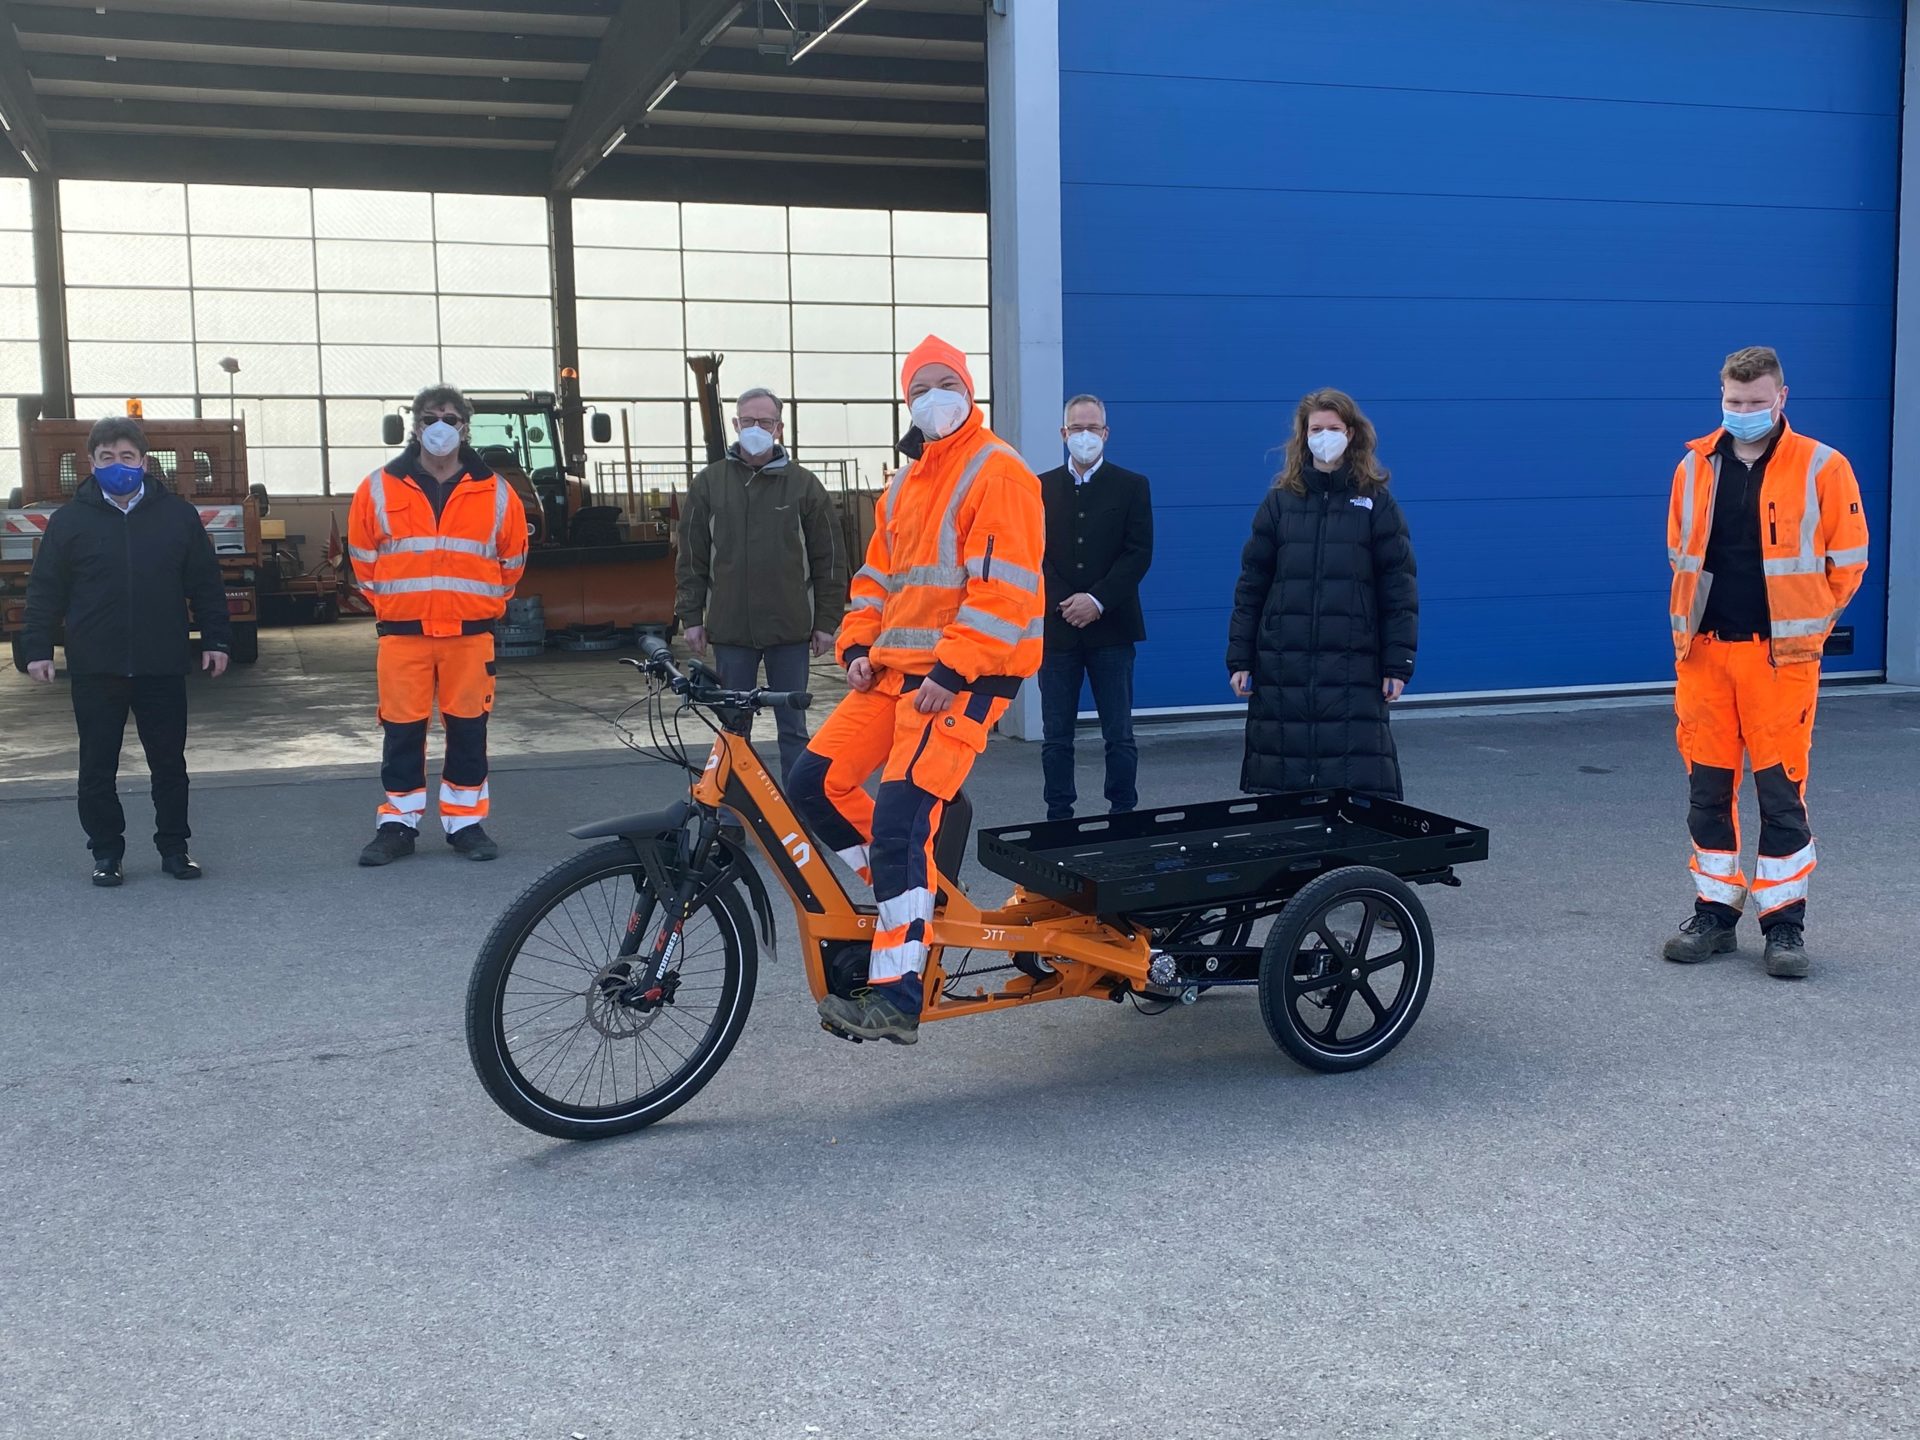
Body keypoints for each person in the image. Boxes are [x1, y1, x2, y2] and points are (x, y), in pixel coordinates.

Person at [787, 336, 1046, 1044]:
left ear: (967, 389)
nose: (932, 397)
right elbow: (876, 582)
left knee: (900, 818)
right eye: (918, 389)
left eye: (944, 383)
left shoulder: (999, 472)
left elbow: (1002, 594)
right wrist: (857, 646)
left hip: (964, 676)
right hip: (897, 671)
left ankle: (898, 992)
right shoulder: (903, 486)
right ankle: (913, 891)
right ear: (907, 403)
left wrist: (951, 671)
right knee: (812, 783)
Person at [1661, 346, 1869, 979]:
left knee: (1780, 796)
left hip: (1780, 662)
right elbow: (1680, 551)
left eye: (1756, 402)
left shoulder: (1823, 466)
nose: (1743, 412)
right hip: (1704, 656)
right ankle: (1714, 915)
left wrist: (1808, 627)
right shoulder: (1694, 466)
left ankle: (1784, 927)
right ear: (1721, 397)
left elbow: (1849, 561)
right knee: (1707, 792)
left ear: (1783, 398)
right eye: (1734, 402)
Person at [18, 415, 231, 886]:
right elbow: (45, 590)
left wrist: (216, 639)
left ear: (144, 462)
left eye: (127, 457)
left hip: (162, 662)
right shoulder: (69, 522)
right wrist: (36, 648)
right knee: (97, 767)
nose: (118, 465)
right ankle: (106, 853)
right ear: (91, 464)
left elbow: (206, 584)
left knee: (169, 765)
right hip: (97, 666)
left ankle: (175, 849)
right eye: (107, 457)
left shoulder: (177, 516)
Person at [348, 384, 528, 866]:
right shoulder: (378, 487)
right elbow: (363, 562)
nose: (440, 426)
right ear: (415, 425)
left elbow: (512, 560)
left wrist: (481, 604)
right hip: (404, 636)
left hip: (470, 637)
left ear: (465, 426)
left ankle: (465, 824)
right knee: (401, 732)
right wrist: (395, 605)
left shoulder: (496, 491)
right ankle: (397, 825)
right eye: (430, 418)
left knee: (469, 730)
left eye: (450, 417)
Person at [1226, 388, 1418, 798]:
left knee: (1354, 782)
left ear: (1351, 434)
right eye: (1317, 428)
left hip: (1354, 666)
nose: (1324, 436)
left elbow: (1398, 589)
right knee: (1284, 781)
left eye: (1333, 428)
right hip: (1283, 666)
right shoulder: (1279, 504)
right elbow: (1251, 584)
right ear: (1303, 435)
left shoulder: (1377, 503)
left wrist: (1398, 664)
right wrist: (1240, 658)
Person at [675, 386, 843, 780]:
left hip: (790, 630)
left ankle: (799, 819)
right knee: (734, 729)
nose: (755, 428)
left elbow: (831, 559)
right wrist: (691, 616)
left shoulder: (804, 486)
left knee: (793, 729)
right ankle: (734, 819)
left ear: (779, 428)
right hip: (731, 630)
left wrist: (827, 622)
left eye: (764, 422)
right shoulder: (710, 483)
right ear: (735, 424)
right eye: (748, 421)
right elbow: (691, 557)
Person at [1036, 394, 1153, 820]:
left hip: (1113, 629)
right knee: (1056, 737)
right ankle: (1058, 816)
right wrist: (1067, 602)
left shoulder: (1132, 485)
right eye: (1077, 428)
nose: (1085, 436)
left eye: (1093, 428)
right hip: (1058, 627)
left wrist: (1097, 600)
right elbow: (1033, 554)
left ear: (1106, 433)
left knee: (1119, 734)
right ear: (1064, 433)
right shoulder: (1040, 487)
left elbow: (1138, 554)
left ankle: (1122, 813)